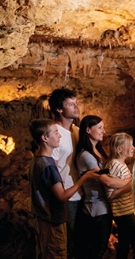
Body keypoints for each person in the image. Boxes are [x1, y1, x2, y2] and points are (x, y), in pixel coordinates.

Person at [29, 119, 98, 259]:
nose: (60, 135)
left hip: (44, 220)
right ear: (45, 138)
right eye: (56, 132)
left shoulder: (37, 160)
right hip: (52, 222)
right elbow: (62, 196)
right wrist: (85, 178)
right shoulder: (47, 165)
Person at [74, 115, 129, 259]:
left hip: (104, 208)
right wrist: (132, 184)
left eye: (103, 128)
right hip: (96, 210)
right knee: (95, 252)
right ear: (87, 130)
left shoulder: (100, 152)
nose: (103, 131)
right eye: (99, 127)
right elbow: (108, 182)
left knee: (100, 250)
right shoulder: (86, 156)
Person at [48, 88, 81, 258]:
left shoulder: (75, 131)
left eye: (76, 102)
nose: (76, 107)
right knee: (68, 243)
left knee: (79, 241)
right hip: (67, 196)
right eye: (70, 104)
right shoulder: (54, 133)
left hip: (79, 193)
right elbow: (50, 167)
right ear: (59, 109)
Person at [105, 133, 135, 259]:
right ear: (119, 149)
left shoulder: (121, 165)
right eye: (130, 145)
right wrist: (131, 185)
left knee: (124, 245)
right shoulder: (114, 165)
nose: (133, 148)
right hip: (123, 213)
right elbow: (110, 195)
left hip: (127, 211)